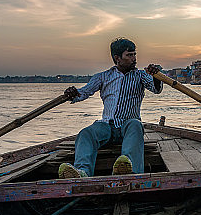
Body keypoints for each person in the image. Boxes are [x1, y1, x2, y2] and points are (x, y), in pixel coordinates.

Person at [58, 38, 162, 178]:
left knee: (136, 125)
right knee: (86, 133)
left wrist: (156, 76)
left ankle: (130, 171)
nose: (134, 59)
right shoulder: (103, 77)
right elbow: (84, 92)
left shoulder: (141, 76)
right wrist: (72, 93)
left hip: (128, 125)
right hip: (107, 126)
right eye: (129, 55)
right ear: (117, 58)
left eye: (134, 54)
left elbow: (156, 89)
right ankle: (82, 173)